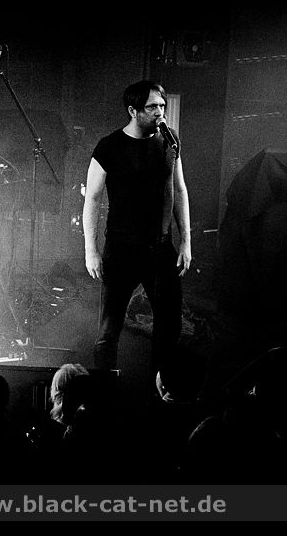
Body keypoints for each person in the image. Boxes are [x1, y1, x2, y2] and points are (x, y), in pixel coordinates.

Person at [82, 79, 191, 378]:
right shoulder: (109, 147)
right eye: (152, 107)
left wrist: (186, 241)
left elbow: (179, 190)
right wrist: (91, 249)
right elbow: (92, 199)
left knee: (169, 327)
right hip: (122, 248)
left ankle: (160, 389)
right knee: (109, 330)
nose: (160, 112)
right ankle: (104, 389)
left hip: (161, 247)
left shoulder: (169, 140)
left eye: (162, 106)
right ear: (133, 111)